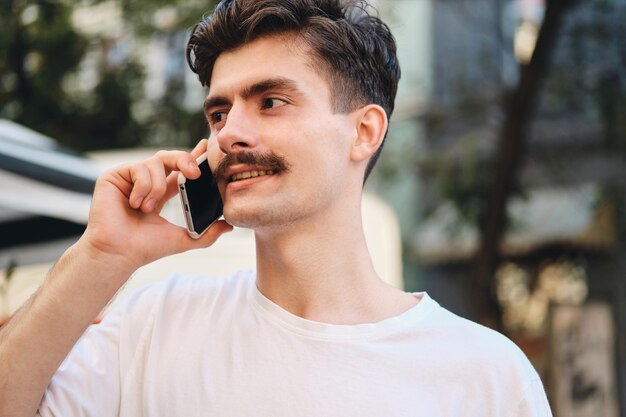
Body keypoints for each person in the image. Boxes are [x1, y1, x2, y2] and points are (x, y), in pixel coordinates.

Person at [0, 0, 553, 416]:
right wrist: (101, 253)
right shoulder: (153, 324)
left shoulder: (487, 375)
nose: (230, 133)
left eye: (271, 102)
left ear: (364, 132)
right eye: (218, 114)